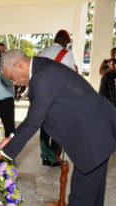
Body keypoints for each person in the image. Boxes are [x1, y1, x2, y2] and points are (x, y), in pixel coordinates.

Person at [0, 49, 116, 206]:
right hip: (96, 131)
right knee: (93, 194)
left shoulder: (43, 77)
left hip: (93, 136)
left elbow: (32, 122)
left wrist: (1, 154)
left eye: (12, 78)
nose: (15, 83)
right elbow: (35, 115)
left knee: (81, 195)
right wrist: (10, 138)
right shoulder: (41, 67)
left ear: (19, 65)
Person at [38, 30, 76, 167]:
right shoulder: (66, 54)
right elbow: (72, 76)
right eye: (67, 43)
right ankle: (54, 158)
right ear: (64, 41)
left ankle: (45, 156)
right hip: (59, 98)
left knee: (45, 127)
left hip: (42, 97)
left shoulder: (43, 53)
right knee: (59, 127)